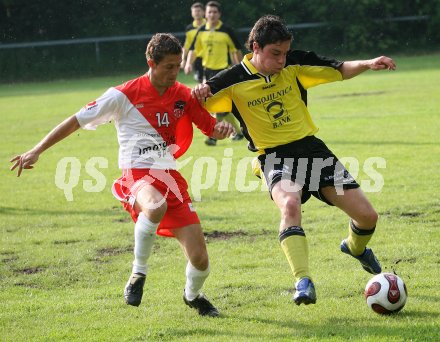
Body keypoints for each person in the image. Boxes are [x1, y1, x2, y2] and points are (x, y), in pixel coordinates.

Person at [10, 33, 234, 317]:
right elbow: (75, 121)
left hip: (170, 178)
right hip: (136, 173)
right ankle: (138, 275)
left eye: (178, 66)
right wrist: (37, 149)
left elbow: (209, 127)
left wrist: (222, 130)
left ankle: (193, 296)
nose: (174, 72)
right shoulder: (123, 94)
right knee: (155, 205)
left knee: (201, 260)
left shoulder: (182, 94)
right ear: (150, 62)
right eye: (168, 66)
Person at [192, 15, 396, 306]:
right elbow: (192, 102)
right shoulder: (231, 81)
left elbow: (338, 69)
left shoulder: (296, 65)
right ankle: (303, 281)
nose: (282, 60)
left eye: (285, 53)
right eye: (275, 54)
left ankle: (354, 247)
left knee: (367, 217)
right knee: (289, 204)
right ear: (255, 47)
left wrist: (367, 63)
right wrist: (200, 93)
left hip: (313, 151)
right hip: (274, 156)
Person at [184, 0, 244, 146]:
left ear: (219, 14)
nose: (212, 14)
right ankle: (239, 132)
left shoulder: (226, 30)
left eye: (215, 12)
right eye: (209, 12)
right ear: (206, 14)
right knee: (217, 106)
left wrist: (241, 69)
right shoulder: (201, 31)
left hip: (223, 72)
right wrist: (187, 63)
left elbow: (236, 50)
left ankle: (213, 136)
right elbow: (194, 49)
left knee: (215, 105)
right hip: (207, 72)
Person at [181, 2, 206, 84]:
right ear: (192, 13)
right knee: (201, 81)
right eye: (195, 11)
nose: (197, 13)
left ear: (203, 12)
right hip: (197, 58)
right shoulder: (189, 28)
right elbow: (186, 45)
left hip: (209, 56)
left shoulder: (209, 25)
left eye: (199, 11)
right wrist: (184, 60)